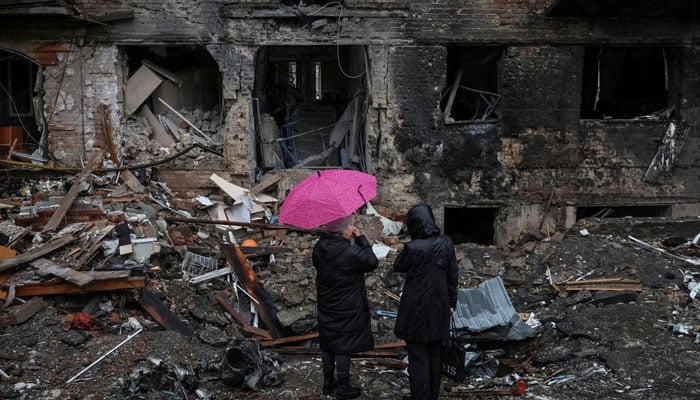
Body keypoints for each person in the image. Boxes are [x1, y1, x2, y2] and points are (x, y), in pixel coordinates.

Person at [393, 204, 458, 400]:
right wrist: (451, 303)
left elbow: (398, 266)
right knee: (435, 353)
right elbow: (452, 275)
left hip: (415, 308)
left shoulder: (412, 248)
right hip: (440, 305)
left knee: (418, 356)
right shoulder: (446, 243)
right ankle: (433, 394)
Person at [312, 214, 379, 399]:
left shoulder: (319, 248)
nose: (353, 228)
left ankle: (327, 383)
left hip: (326, 303)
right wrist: (361, 239)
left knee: (327, 343)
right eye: (351, 225)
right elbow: (372, 262)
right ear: (342, 230)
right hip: (347, 306)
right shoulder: (349, 253)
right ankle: (343, 387)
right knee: (343, 346)